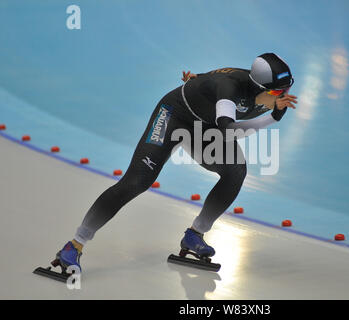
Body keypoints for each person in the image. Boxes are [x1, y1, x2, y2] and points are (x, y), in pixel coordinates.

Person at [53, 53, 298, 272]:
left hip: (204, 126)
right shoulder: (230, 90)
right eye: (278, 93)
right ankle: (74, 244)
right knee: (137, 181)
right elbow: (230, 130)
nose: (283, 97)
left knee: (236, 171)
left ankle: (195, 235)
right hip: (174, 115)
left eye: (287, 90)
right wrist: (273, 119)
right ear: (257, 87)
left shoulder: (264, 92)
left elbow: (209, 82)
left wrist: (197, 80)